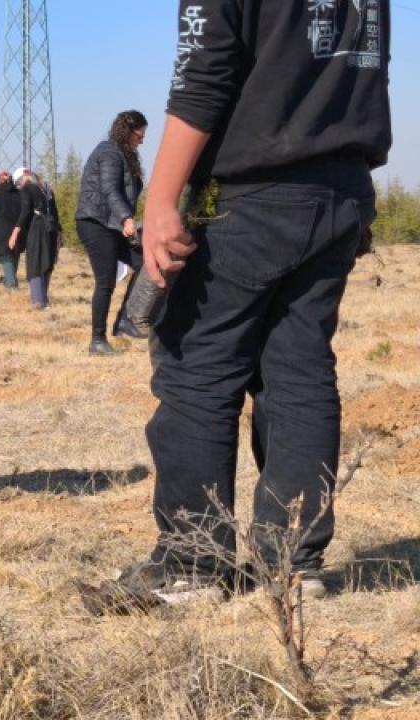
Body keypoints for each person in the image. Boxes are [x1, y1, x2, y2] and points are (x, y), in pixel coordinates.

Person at [125, 0, 391, 602]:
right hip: (341, 189)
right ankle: (293, 564)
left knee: (196, 367)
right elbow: (366, 67)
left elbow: (203, 73)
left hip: (250, 190)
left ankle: (193, 563)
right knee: (299, 372)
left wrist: (160, 200)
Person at [76, 110, 149, 355]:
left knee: (145, 264)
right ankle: (97, 340)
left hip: (113, 223)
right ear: (128, 132)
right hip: (96, 222)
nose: (142, 141)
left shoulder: (124, 156)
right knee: (106, 281)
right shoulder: (108, 153)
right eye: (140, 135)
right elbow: (110, 190)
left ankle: (125, 319)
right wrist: (126, 218)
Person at [7, 168, 57, 309]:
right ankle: (44, 299)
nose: (18, 187)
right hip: (50, 228)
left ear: (21, 180)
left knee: (35, 263)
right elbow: (54, 211)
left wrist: (15, 231)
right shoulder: (45, 189)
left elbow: (26, 210)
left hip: (37, 228)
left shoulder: (27, 189)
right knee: (46, 262)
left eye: (18, 184)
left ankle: (38, 301)